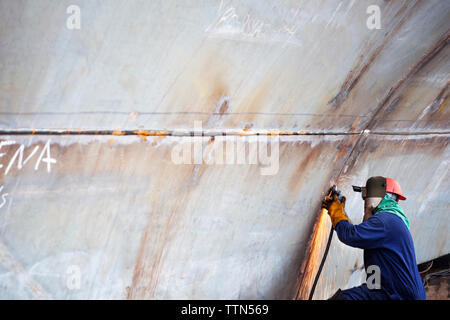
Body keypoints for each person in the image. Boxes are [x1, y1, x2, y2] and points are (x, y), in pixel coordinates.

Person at [322, 176, 426, 300]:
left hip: (399, 295)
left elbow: (350, 235)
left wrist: (336, 212)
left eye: (366, 196)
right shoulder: (391, 221)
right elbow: (358, 232)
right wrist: (341, 215)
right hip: (386, 291)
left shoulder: (385, 221)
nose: (365, 200)